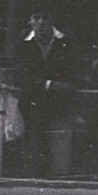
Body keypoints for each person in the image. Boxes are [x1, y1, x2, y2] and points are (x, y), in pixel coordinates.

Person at [11, 9, 79, 178]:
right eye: (36, 17)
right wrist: (50, 85)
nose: (41, 22)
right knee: (32, 159)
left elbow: (74, 75)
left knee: (61, 162)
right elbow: (19, 77)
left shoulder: (67, 41)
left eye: (45, 17)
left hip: (60, 109)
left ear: (51, 19)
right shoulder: (22, 42)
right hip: (31, 110)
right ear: (30, 21)